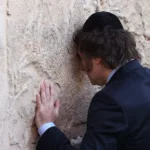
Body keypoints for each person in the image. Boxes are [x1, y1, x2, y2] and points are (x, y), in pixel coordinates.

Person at [35, 11, 150, 150]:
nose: (82, 67)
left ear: (97, 58)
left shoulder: (110, 102)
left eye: (81, 58)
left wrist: (46, 127)